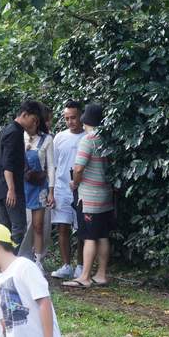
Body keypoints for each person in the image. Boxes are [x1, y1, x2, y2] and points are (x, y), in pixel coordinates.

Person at [67, 103, 113, 288]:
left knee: (89, 237)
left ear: (85, 120)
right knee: (102, 235)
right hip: (105, 195)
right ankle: (101, 274)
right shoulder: (107, 140)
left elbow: (79, 167)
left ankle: (84, 276)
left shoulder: (88, 140)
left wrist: (75, 182)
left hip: (89, 197)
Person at [0, 101, 41, 251]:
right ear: (24, 115)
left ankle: (4, 263)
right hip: (10, 189)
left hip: (1, 187)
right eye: (33, 119)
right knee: (18, 229)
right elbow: (8, 164)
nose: (34, 123)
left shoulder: (10, 130)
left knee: (5, 230)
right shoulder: (14, 132)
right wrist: (11, 189)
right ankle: (13, 264)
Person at [50, 102, 86, 280]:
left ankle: (80, 266)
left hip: (83, 190)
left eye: (73, 117)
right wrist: (51, 190)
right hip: (61, 189)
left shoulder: (88, 137)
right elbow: (54, 166)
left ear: (81, 117)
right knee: (62, 227)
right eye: (67, 118)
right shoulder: (59, 138)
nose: (70, 121)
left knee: (81, 230)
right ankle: (66, 265)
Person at [22, 104, 55, 265]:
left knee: (38, 225)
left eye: (36, 121)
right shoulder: (20, 136)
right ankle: (21, 258)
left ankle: (38, 260)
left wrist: (51, 191)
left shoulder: (47, 139)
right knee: (21, 225)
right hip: (22, 185)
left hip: (39, 186)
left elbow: (51, 167)